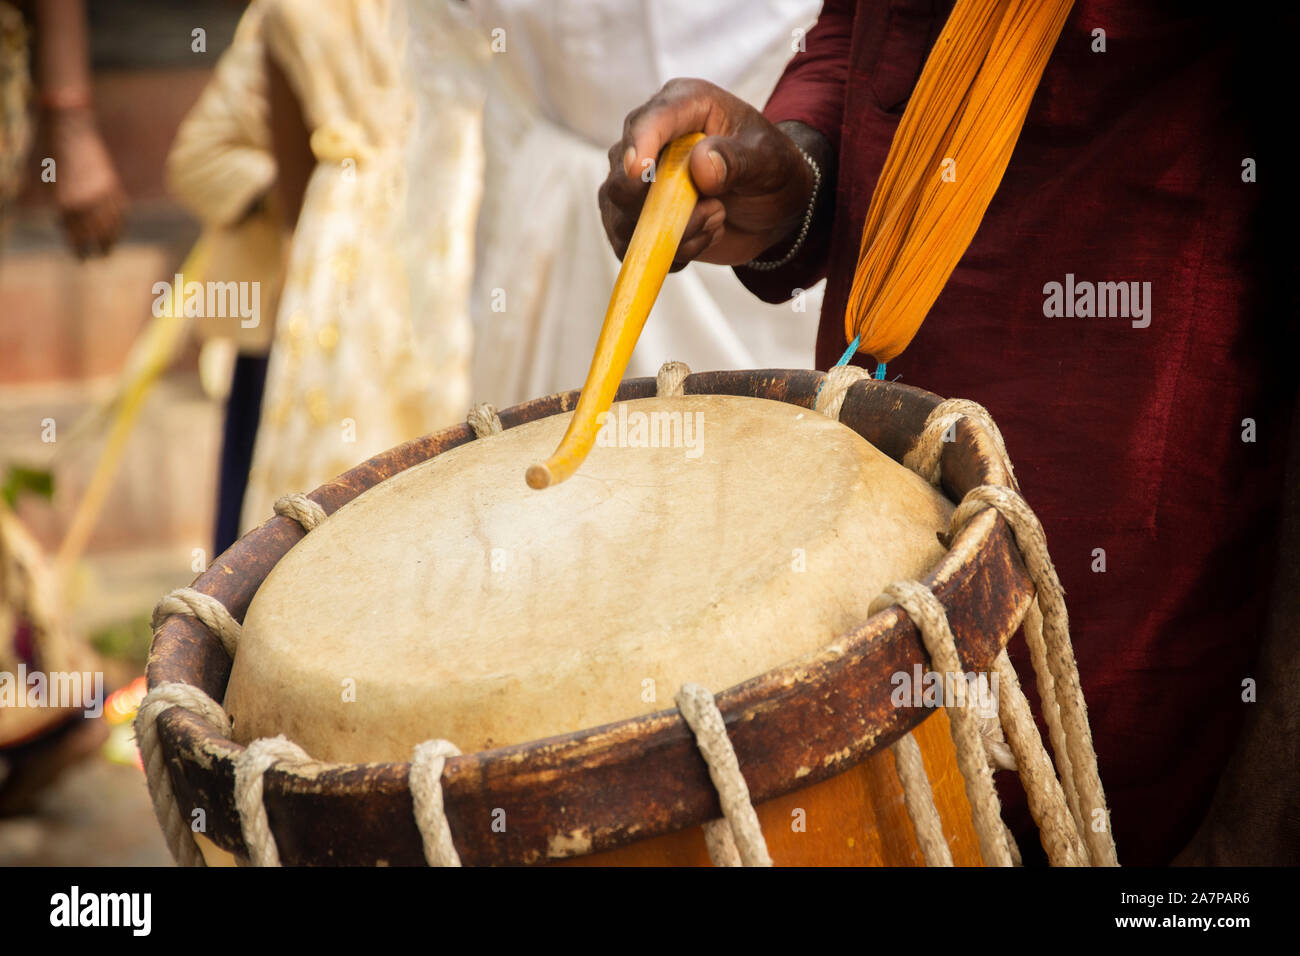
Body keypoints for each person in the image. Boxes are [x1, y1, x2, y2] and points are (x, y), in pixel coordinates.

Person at [598, 0, 1295, 865]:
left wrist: (1260, 824)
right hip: (874, 538)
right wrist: (789, 177)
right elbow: (864, 34)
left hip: (1140, 614)